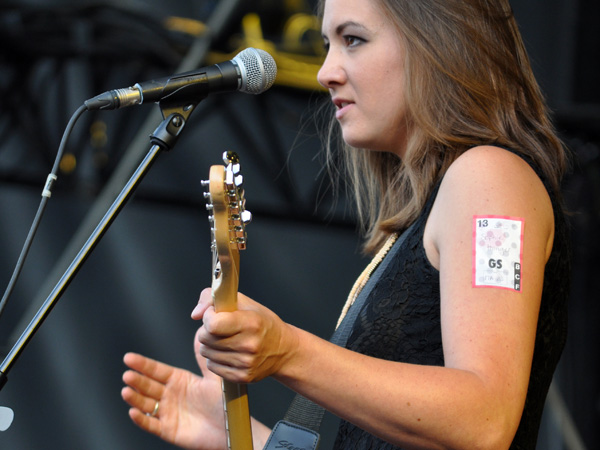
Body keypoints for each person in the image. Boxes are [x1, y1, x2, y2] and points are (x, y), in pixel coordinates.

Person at [121, 0, 571, 448]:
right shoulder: (436, 207)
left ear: (436, 42)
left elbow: (485, 421)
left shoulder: (489, 177)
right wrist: (240, 438)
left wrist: (287, 351)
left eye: (353, 39)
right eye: (326, 44)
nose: (325, 71)